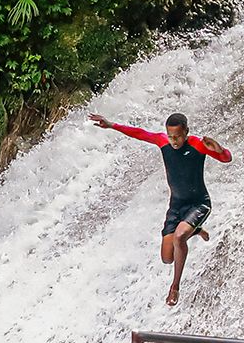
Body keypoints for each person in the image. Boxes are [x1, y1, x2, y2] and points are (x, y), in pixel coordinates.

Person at [90, 111, 232, 306]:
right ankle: (195, 230)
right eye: (171, 136)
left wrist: (219, 149)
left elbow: (226, 159)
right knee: (167, 258)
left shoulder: (198, 145)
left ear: (187, 132)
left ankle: (175, 287)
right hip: (176, 206)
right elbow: (139, 133)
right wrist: (112, 124)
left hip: (199, 203)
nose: (174, 141)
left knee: (180, 237)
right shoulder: (163, 141)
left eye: (178, 136)